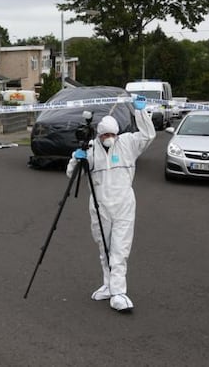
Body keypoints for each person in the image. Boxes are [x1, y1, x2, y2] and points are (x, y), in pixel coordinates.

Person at [66, 95, 156, 312]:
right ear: (98, 135)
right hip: (99, 205)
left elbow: (148, 135)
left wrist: (140, 112)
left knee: (119, 249)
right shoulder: (90, 149)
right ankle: (108, 285)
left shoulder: (126, 144)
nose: (109, 138)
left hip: (124, 203)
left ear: (117, 133)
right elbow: (71, 174)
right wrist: (76, 159)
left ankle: (119, 292)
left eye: (112, 134)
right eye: (105, 134)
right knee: (104, 247)